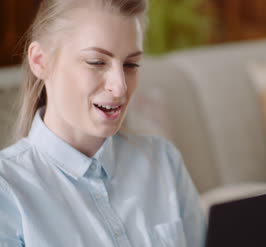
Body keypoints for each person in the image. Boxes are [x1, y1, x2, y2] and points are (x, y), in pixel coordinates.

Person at [0, 0, 206, 246]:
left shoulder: (163, 160)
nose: (120, 87)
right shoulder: (7, 189)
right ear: (40, 61)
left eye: (130, 64)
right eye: (96, 62)